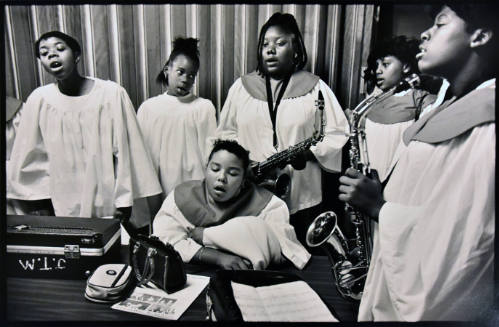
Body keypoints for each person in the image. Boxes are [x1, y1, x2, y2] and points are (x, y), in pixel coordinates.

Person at [338, 4, 496, 321]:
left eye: (440, 24)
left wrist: (380, 209)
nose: (424, 34)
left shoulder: (488, 124)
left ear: (479, 35)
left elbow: (466, 243)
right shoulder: (445, 104)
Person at [213, 13, 349, 247]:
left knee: (298, 261)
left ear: (295, 48)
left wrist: (308, 153)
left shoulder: (316, 87)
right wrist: (243, 164)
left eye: (280, 43)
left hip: (301, 196)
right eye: (265, 44)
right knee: (254, 255)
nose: (270, 50)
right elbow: (225, 134)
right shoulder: (241, 88)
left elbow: (337, 133)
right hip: (251, 192)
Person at [7, 31, 162, 225]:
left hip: (107, 198)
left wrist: (123, 200)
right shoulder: (39, 100)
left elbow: (127, 150)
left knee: (110, 246)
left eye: (60, 49)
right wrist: (42, 201)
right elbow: (31, 156)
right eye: (44, 53)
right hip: (63, 200)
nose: (52, 55)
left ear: (77, 55)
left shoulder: (111, 94)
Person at [153, 139, 311, 270]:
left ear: (243, 180)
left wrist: (206, 236)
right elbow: (163, 241)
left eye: (233, 173)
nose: (221, 178)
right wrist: (217, 257)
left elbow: (279, 249)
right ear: (206, 169)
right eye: (215, 169)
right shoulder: (182, 196)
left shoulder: (269, 205)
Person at [137, 37, 216, 201]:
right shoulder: (149, 108)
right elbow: (142, 157)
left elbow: (210, 152)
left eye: (192, 75)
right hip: (159, 188)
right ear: (167, 69)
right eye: (180, 72)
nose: (185, 79)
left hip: (195, 187)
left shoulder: (204, 107)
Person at [362, 35, 438, 182]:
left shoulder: (420, 99)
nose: (378, 71)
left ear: (406, 66)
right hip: (368, 179)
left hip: (401, 179)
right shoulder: (372, 99)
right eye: (376, 66)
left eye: (385, 64)